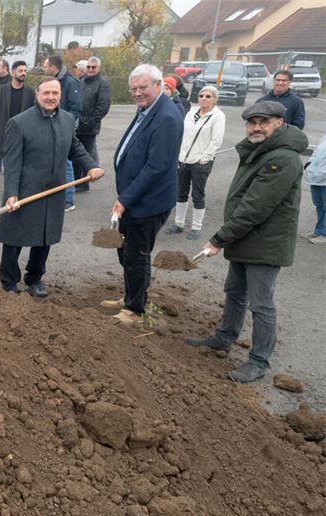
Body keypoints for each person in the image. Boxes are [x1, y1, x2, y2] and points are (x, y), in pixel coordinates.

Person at [184, 100, 308, 383]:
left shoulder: (282, 159)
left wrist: (219, 239)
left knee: (261, 303)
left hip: (266, 243)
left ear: (279, 123)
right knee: (235, 291)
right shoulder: (260, 150)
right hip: (246, 238)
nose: (256, 127)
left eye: (264, 122)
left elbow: (255, 207)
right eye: (252, 123)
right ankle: (223, 338)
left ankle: (259, 362)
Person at [0, 77, 104, 296]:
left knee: (44, 238)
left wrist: (91, 166)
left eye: (55, 93)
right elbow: (12, 162)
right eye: (46, 93)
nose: (50, 97)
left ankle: (34, 279)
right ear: (37, 94)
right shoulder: (19, 123)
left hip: (53, 192)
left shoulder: (67, 119)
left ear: (60, 95)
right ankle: (9, 282)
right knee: (14, 238)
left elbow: (74, 147)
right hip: (25, 191)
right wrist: (11, 193)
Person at [104, 64, 184, 325]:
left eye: (143, 87)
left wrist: (125, 199)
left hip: (148, 202)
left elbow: (156, 167)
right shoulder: (147, 109)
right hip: (134, 198)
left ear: (158, 85)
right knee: (125, 251)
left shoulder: (167, 117)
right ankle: (131, 296)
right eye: (134, 88)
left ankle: (134, 309)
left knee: (137, 255)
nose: (137, 93)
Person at [166, 85, 225, 240]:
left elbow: (216, 140)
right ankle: (178, 224)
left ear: (215, 99)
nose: (204, 99)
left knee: (198, 195)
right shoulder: (191, 112)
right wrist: (179, 155)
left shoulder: (218, 116)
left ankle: (196, 227)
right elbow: (183, 134)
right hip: (183, 160)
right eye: (201, 96)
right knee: (181, 193)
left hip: (201, 162)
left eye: (208, 96)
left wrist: (204, 158)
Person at [0, 60, 33, 202]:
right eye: (20, 71)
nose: (23, 73)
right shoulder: (1, 90)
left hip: (20, 136)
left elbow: (33, 113)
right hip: (1, 134)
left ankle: (11, 193)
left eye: (25, 71)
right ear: (13, 72)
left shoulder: (30, 93)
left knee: (14, 167)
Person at [42, 55, 82, 210]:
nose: (43, 69)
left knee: (66, 162)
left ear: (53, 68)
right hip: (52, 126)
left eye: (45, 66)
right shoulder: (56, 81)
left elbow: (76, 108)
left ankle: (69, 199)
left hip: (64, 128)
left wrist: (66, 126)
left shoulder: (70, 82)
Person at [74, 56, 110, 192]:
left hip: (89, 128)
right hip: (78, 125)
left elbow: (103, 106)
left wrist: (91, 122)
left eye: (93, 67)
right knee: (76, 155)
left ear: (99, 68)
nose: (90, 69)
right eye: (88, 67)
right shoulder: (82, 81)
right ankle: (76, 181)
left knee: (87, 156)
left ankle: (84, 183)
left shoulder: (102, 84)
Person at [304, 133, 326, 245]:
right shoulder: (324, 137)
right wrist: (309, 165)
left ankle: (324, 234)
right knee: (319, 205)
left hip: (324, 178)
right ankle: (319, 230)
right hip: (316, 177)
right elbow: (316, 152)